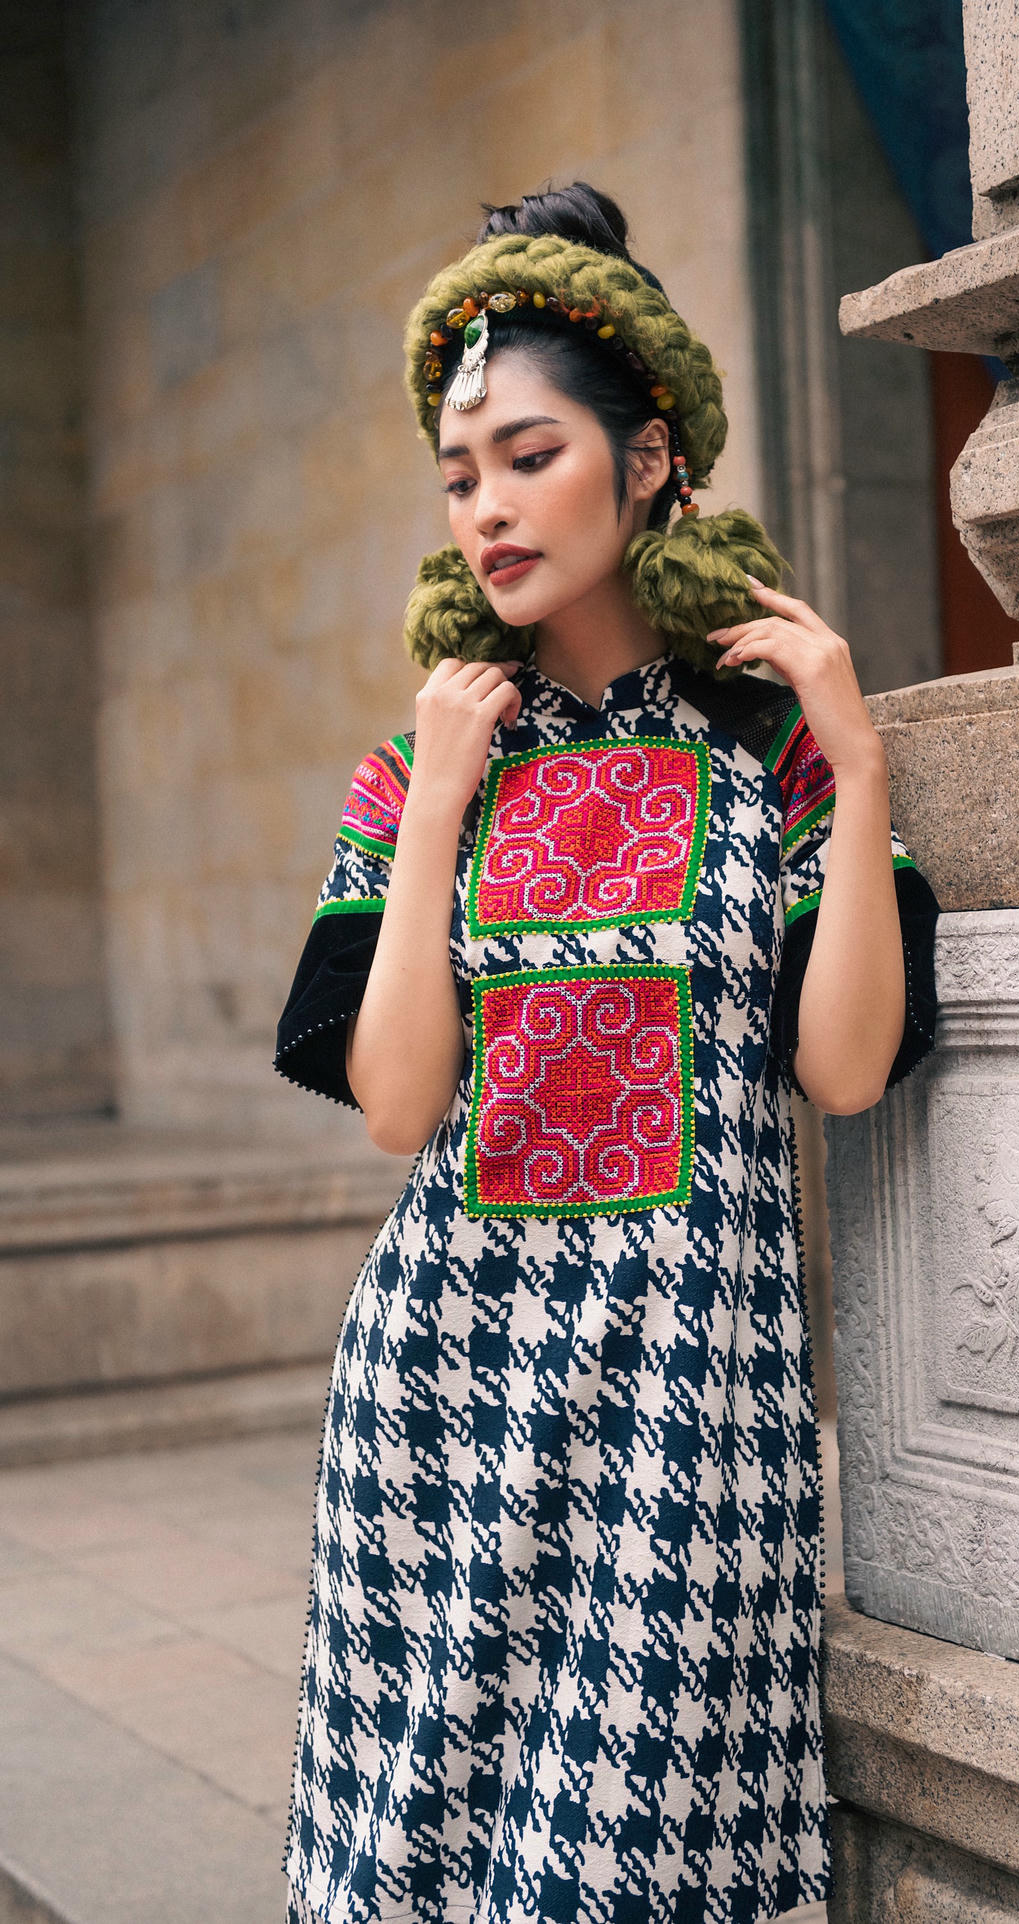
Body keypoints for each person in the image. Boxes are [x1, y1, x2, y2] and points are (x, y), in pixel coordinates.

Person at [274, 181, 939, 1924]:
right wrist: (437, 805)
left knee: (617, 1881)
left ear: (649, 461)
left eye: (528, 454)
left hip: (686, 1404)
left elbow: (846, 1071)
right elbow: (396, 1105)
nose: (487, 507)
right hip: (444, 1393)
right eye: (459, 475)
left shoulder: (771, 748)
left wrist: (862, 764)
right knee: (417, 1872)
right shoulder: (425, 763)